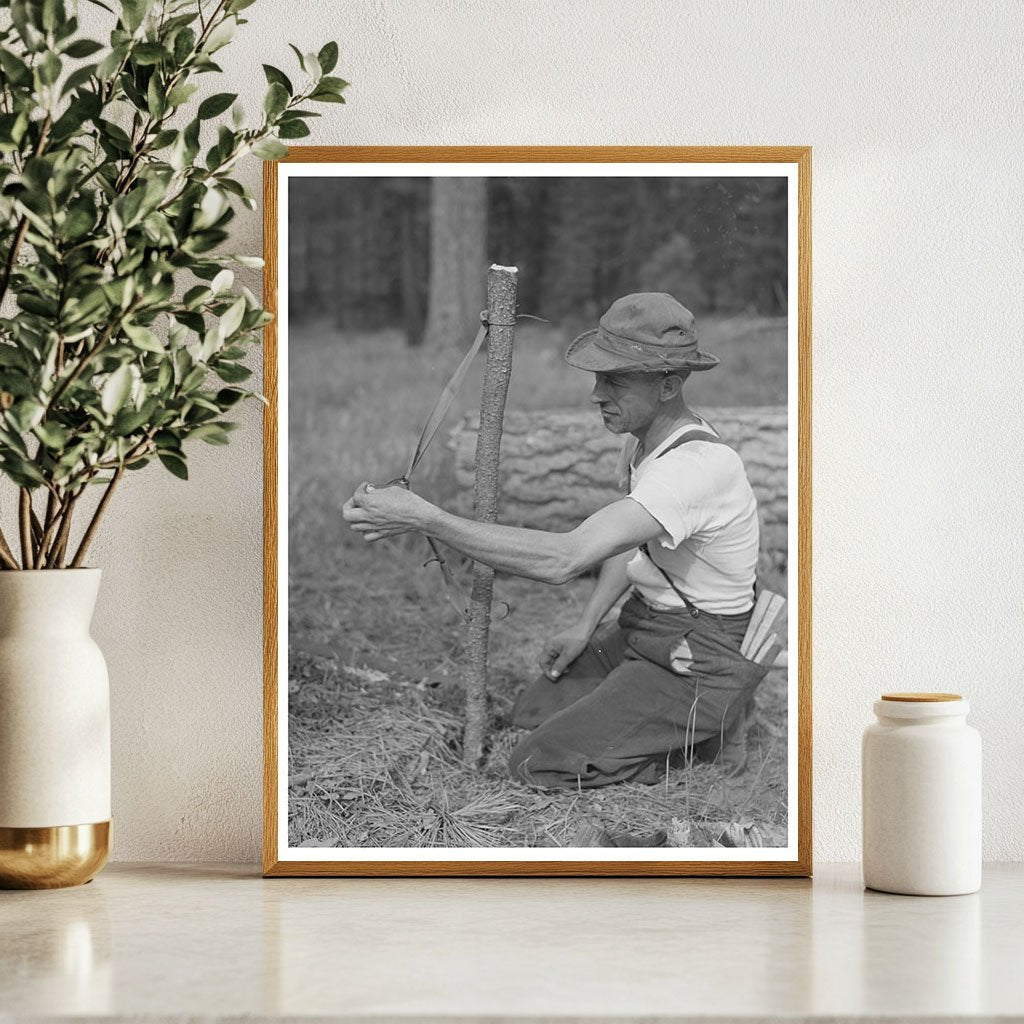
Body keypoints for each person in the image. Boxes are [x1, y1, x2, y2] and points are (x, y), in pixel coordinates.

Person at [342, 292, 766, 790]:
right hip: (649, 627)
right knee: (532, 711)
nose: (596, 394)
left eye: (616, 380)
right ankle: (662, 715)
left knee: (538, 762)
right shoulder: (644, 441)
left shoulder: (695, 468)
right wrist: (586, 627)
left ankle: (708, 726)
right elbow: (628, 545)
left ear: (669, 385)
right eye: (597, 376)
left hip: (700, 651)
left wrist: (428, 519)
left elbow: (565, 559)